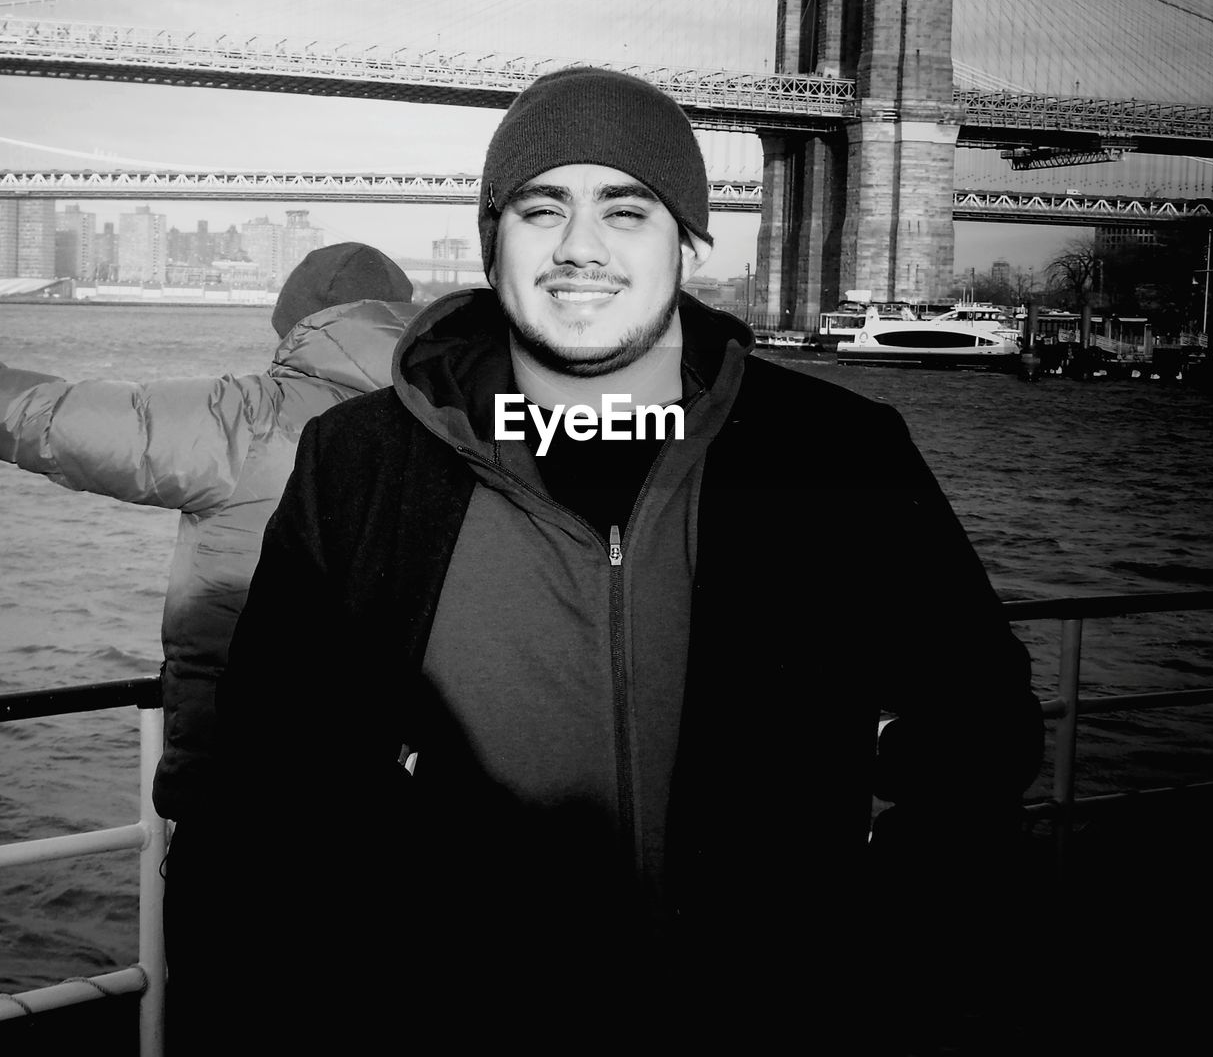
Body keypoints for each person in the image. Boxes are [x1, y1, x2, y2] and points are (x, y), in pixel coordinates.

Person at [210, 70, 1044, 1050]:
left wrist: (873, 960)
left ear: (684, 238)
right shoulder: (361, 461)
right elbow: (266, 793)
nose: (579, 247)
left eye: (625, 208)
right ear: (491, 239)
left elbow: (979, 734)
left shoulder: (837, 453)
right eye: (539, 207)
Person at [0, 242, 417, 1045]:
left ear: (295, 326)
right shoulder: (456, 423)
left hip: (244, 806)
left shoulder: (250, 417)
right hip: (389, 812)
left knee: (227, 1016)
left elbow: (49, 418)